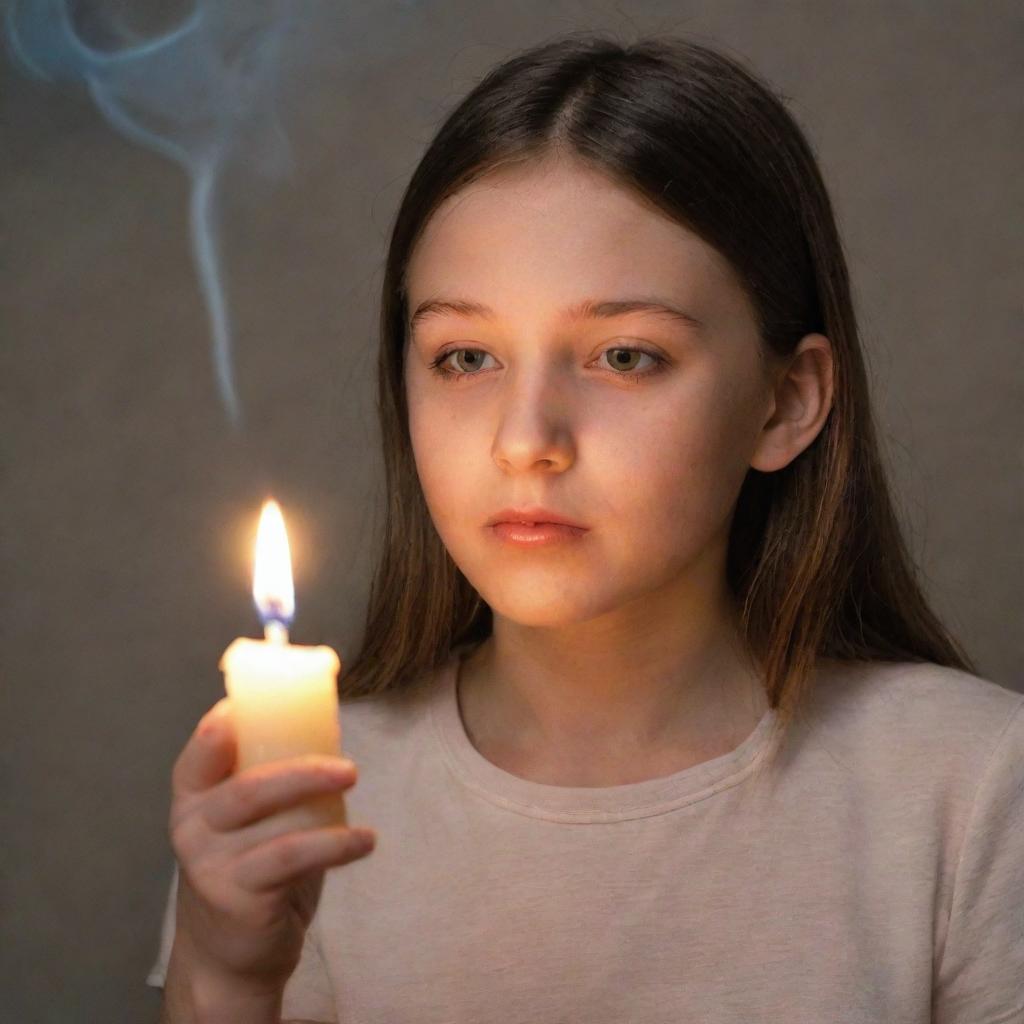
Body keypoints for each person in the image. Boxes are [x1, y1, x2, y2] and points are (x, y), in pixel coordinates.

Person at [147, 32, 1023, 1023]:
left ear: (785, 401)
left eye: (624, 355)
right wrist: (225, 974)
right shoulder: (294, 804)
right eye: (466, 357)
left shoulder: (973, 790)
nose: (526, 441)